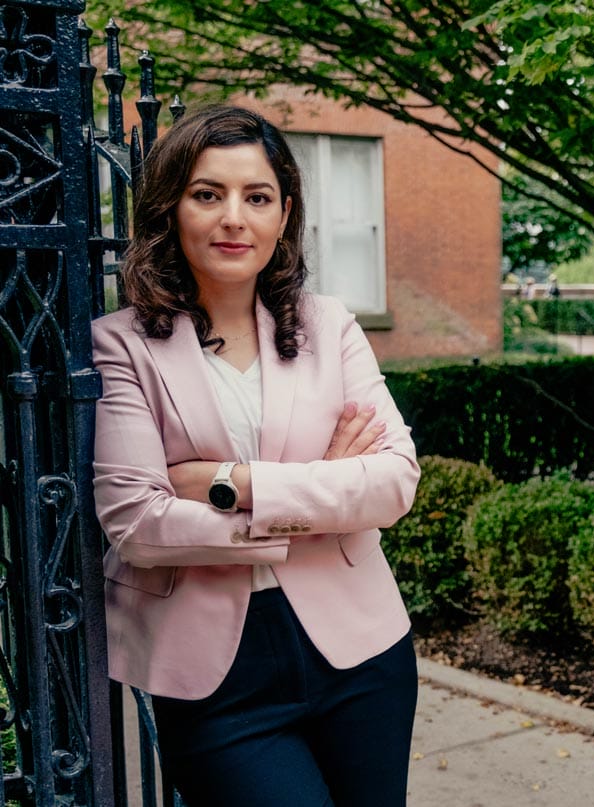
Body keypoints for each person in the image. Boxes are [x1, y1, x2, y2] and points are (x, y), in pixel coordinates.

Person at [91, 105, 422, 807]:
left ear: (284, 213)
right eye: (207, 193)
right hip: (214, 679)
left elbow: (393, 482)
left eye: (257, 196)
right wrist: (322, 493)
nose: (233, 217)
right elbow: (135, 522)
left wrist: (227, 484)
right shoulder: (121, 343)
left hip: (362, 652)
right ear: (171, 207)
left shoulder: (328, 324)